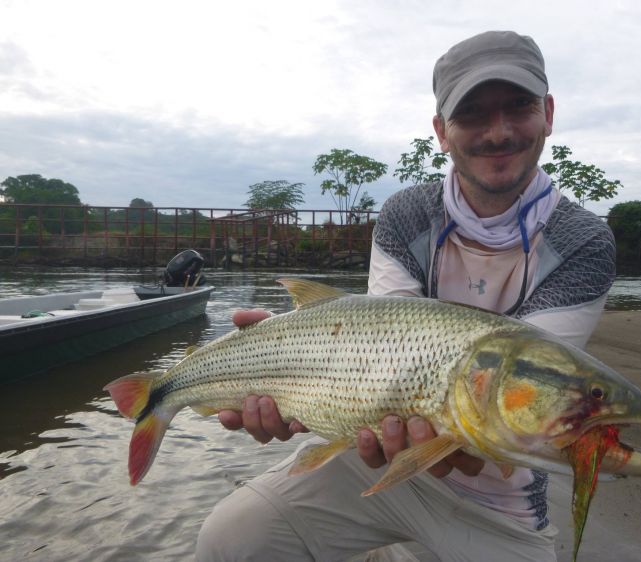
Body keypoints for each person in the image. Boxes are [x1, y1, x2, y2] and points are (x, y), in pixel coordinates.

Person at [196, 30, 615, 561]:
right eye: (472, 115)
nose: (499, 131)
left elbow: (531, 410)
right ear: (441, 131)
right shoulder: (406, 215)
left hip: (499, 496)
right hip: (371, 458)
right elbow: (378, 354)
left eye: (519, 106)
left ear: (548, 113)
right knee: (229, 540)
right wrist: (288, 361)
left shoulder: (584, 241)